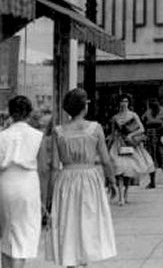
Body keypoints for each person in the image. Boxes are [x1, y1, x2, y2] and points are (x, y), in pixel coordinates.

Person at [44, 88, 117, 266]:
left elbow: (54, 166)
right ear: (84, 107)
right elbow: (106, 160)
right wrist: (112, 180)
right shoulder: (95, 128)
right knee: (88, 222)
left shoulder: (58, 131)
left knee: (67, 223)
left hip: (66, 178)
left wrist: (49, 195)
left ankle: (71, 262)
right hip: (89, 178)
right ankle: (84, 261)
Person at [0, 96, 43, 268]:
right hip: (28, 184)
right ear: (29, 113)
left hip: (5, 182)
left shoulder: (2, 136)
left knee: (6, 234)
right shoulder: (37, 136)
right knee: (23, 236)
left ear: (10, 113)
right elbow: (44, 168)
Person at [108, 94, 154, 206]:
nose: (124, 103)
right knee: (119, 169)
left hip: (130, 144)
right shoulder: (115, 118)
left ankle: (125, 194)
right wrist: (108, 145)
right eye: (122, 101)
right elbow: (113, 133)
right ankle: (120, 197)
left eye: (126, 101)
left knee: (128, 170)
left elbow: (141, 129)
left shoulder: (133, 115)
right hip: (119, 144)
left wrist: (131, 135)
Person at [141, 99, 163, 188]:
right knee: (151, 160)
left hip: (162, 137)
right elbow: (143, 124)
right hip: (151, 138)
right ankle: (152, 181)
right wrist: (143, 137)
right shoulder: (147, 113)